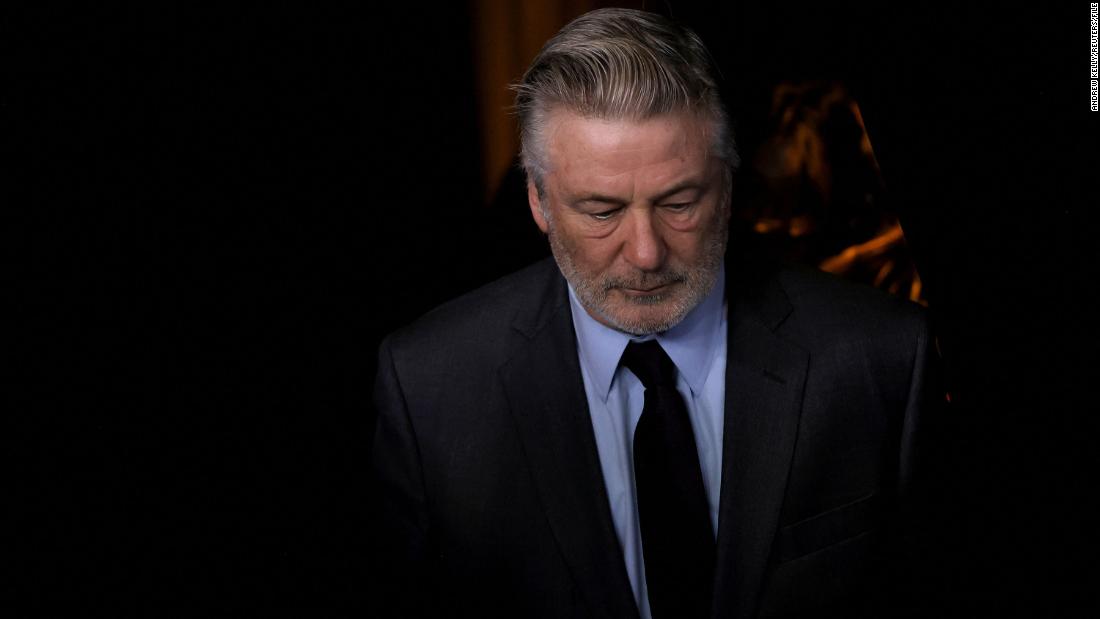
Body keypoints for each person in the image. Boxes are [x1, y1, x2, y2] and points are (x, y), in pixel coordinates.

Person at [371, 8, 940, 619]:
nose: (646, 253)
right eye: (601, 211)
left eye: (679, 203)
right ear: (537, 199)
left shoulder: (884, 356)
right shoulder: (427, 386)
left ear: (727, 186)